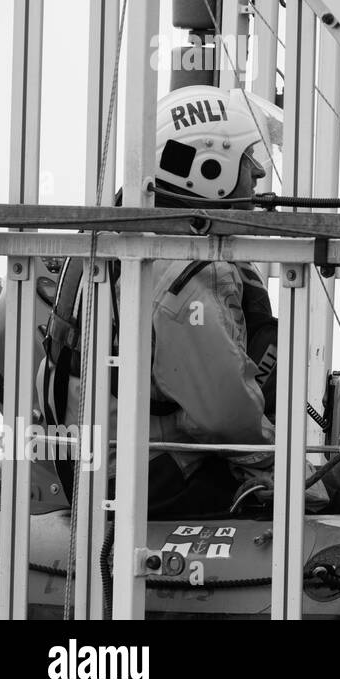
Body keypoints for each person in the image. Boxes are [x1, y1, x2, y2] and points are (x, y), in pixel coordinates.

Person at [39, 85, 301, 517]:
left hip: (95, 472)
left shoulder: (123, 236)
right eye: (248, 158)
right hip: (150, 478)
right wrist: (290, 472)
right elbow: (223, 416)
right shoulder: (190, 266)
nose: (257, 174)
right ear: (207, 167)